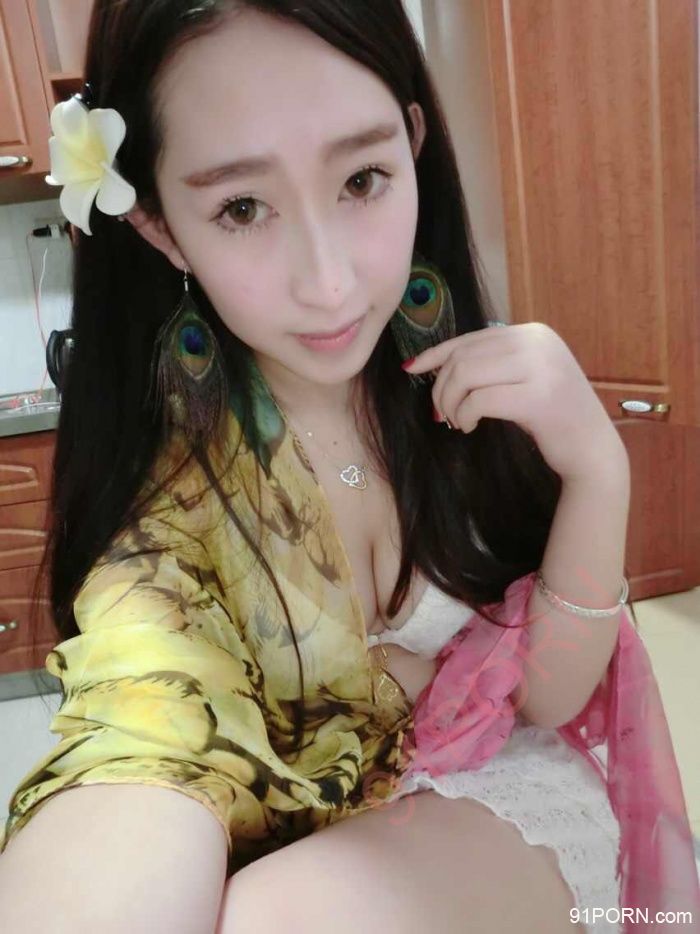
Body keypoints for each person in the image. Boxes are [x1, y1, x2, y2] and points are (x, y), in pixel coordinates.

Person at [0, 2, 697, 932]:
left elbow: (549, 696)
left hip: (505, 796)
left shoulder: (476, 388)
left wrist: (597, 467)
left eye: (363, 179)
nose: (329, 283)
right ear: (162, 226)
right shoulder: (169, 506)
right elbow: (144, 723)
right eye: (242, 207)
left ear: (413, 143)